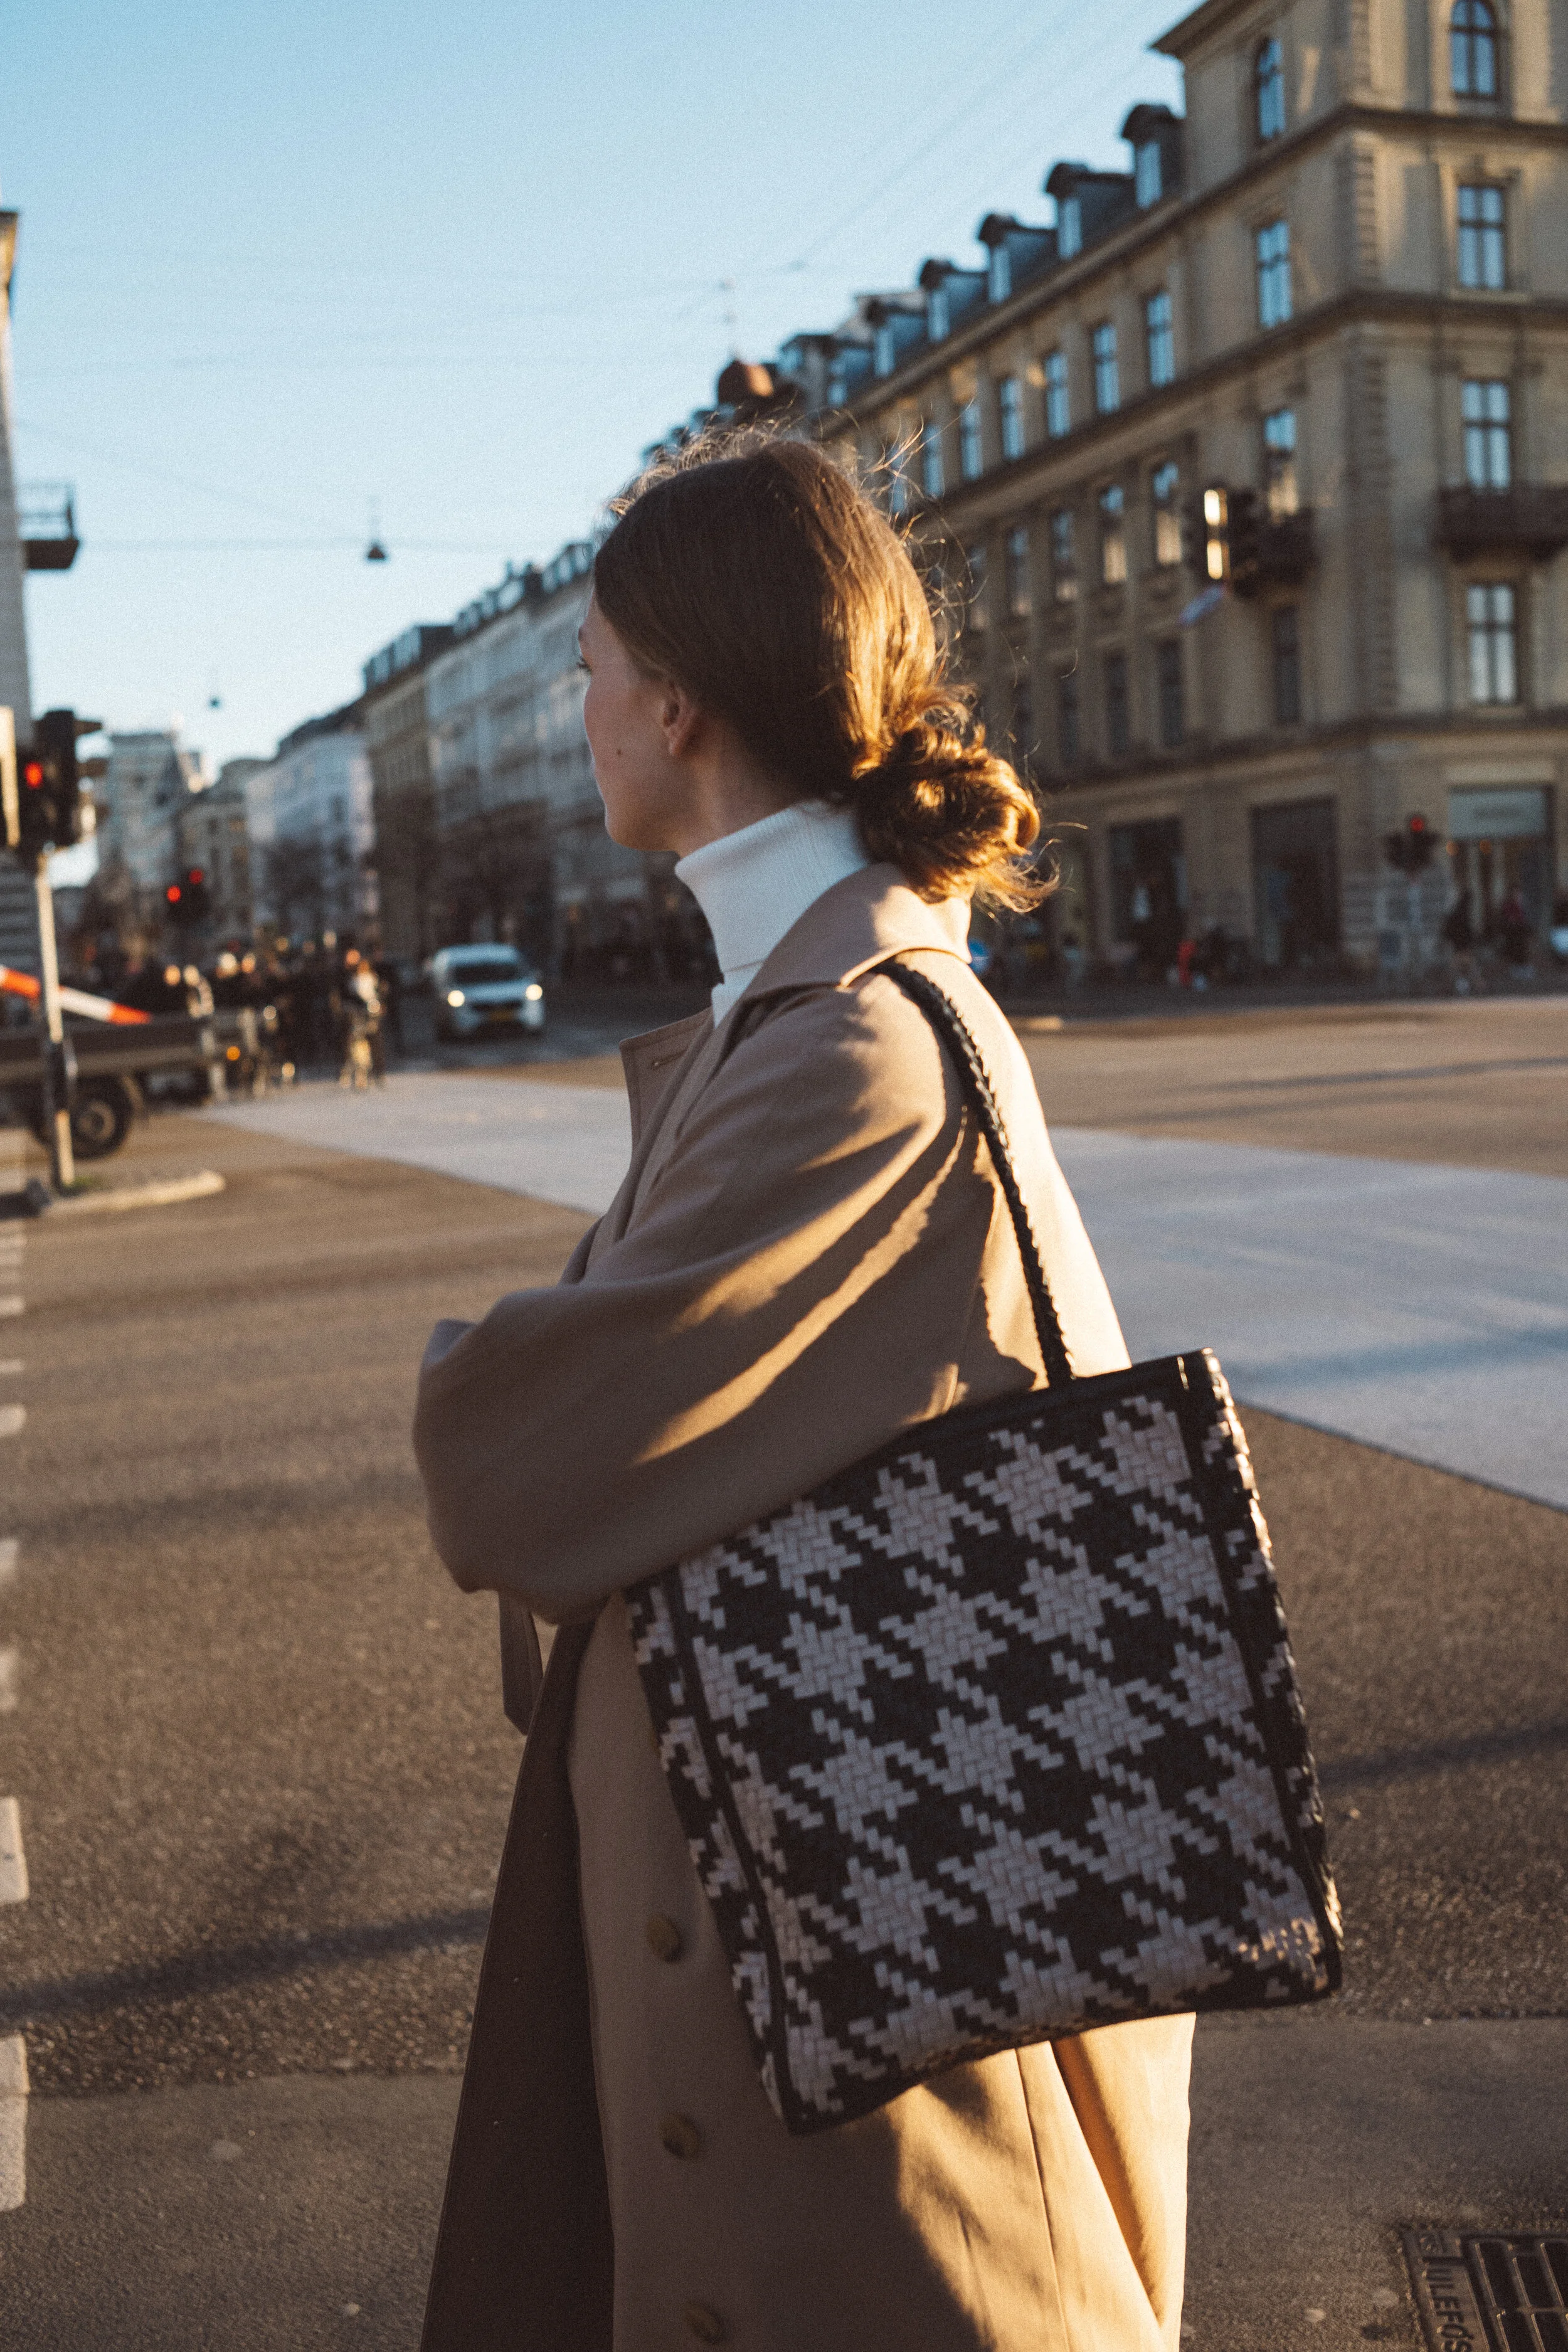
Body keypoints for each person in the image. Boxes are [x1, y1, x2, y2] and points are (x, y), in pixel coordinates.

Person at [413, 433, 1192, 2352]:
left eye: (586, 661)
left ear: (676, 704)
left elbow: (505, 1471)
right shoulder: (802, 1000)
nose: (573, 699)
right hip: (803, 1979)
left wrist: (481, 1370)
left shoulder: (852, 1047)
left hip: (869, 2043)